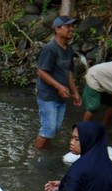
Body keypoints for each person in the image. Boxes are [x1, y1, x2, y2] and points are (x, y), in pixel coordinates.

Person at [35, 15, 82, 149]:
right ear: (57, 29)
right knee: (48, 129)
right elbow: (41, 72)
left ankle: (45, 150)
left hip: (62, 96)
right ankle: (37, 157)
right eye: (68, 26)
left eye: (72, 26)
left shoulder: (69, 49)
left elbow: (69, 73)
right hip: (48, 96)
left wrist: (75, 93)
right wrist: (59, 86)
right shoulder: (50, 48)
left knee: (54, 129)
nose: (71, 29)